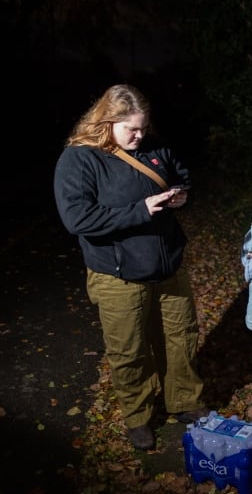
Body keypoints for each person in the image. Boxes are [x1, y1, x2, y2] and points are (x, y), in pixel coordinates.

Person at [53, 84, 209, 451]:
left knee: (180, 336)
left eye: (143, 128)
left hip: (167, 263)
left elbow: (179, 174)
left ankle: (184, 400)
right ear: (107, 122)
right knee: (130, 348)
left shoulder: (154, 147)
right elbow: (77, 218)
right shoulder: (79, 159)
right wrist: (141, 210)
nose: (139, 136)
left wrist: (181, 195)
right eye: (130, 130)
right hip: (117, 272)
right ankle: (138, 416)